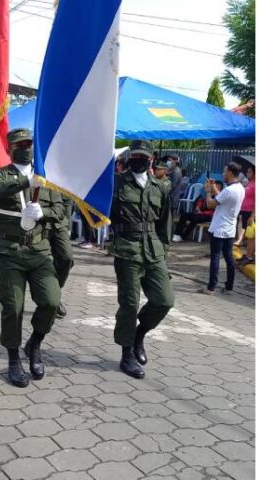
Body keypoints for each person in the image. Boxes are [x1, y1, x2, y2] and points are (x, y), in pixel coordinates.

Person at [0, 128, 65, 387]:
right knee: (13, 307)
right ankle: (13, 359)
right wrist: (25, 182)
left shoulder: (46, 177)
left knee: (51, 301)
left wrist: (44, 213)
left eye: (29, 143)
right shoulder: (1, 174)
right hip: (9, 251)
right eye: (20, 144)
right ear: (10, 148)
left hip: (39, 250)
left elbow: (60, 210)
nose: (26, 148)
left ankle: (35, 344)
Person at [110, 140, 175, 379]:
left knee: (164, 300)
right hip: (127, 249)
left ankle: (139, 334)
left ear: (151, 159)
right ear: (129, 158)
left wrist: (164, 253)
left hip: (154, 250)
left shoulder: (160, 186)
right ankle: (126, 354)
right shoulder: (116, 183)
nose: (138, 160)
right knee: (129, 304)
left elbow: (165, 222)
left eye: (143, 157)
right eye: (135, 156)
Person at [201, 161, 245, 295]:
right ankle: (229, 286)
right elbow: (223, 197)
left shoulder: (229, 190)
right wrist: (214, 187)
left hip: (219, 228)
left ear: (230, 172)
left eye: (224, 172)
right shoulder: (240, 188)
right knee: (228, 257)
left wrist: (208, 191)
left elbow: (210, 204)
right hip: (230, 229)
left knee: (215, 257)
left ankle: (211, 287)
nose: (223, 174)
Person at [234, 163, 255, 246]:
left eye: (250, 172)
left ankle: (243, 241)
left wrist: (253, 215)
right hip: (243, 208)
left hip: (250, 209)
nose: (247, 174)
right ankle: (240, 240)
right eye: (247, 172)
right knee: (241, 223)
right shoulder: (248, 183)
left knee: (248, 227)